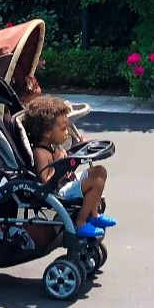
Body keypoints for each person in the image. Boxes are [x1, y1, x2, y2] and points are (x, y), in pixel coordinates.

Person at [22, 96, 113, 237]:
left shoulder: (52, 146)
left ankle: (94, 214)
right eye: (63, 129)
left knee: (100, 171)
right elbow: (45, 181)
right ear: (47, 133)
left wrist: (78, 146)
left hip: (66, 181)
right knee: (96, 183)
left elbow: (67, 162)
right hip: (58, 191)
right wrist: (56, 164)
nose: (66, 132)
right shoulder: (40, 152)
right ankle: (81, 222)